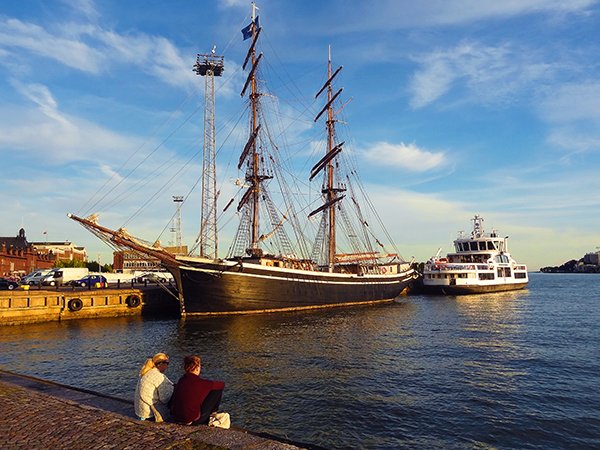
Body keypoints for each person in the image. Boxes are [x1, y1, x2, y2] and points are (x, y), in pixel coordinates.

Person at [170, 355, 225, 425]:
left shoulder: (181, 380)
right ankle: (212, 415)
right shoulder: (200, 382)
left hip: (176, 418)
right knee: (217, 390)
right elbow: (222, 385)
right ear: (197, 368)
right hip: (191, 420)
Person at [134, 352, 174, 421]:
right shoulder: (158, 376)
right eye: (167, 363)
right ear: (160, 364)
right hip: (149, 413)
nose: (167, 366)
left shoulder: (145, 372)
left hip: (140, 411)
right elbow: (165, 399)